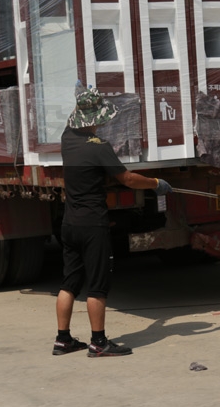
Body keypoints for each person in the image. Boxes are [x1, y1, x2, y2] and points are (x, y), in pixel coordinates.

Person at [53, 83, 172, 358]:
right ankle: (98, 343)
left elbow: (78, 114)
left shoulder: (66, 138)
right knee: (97, 285)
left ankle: (63, 340)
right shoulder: (100, 147)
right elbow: (127, 179)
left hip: (69, 223)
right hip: (92, 226)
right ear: (98, 119)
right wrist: (156, 183)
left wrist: (81, 99)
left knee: (69, 283)